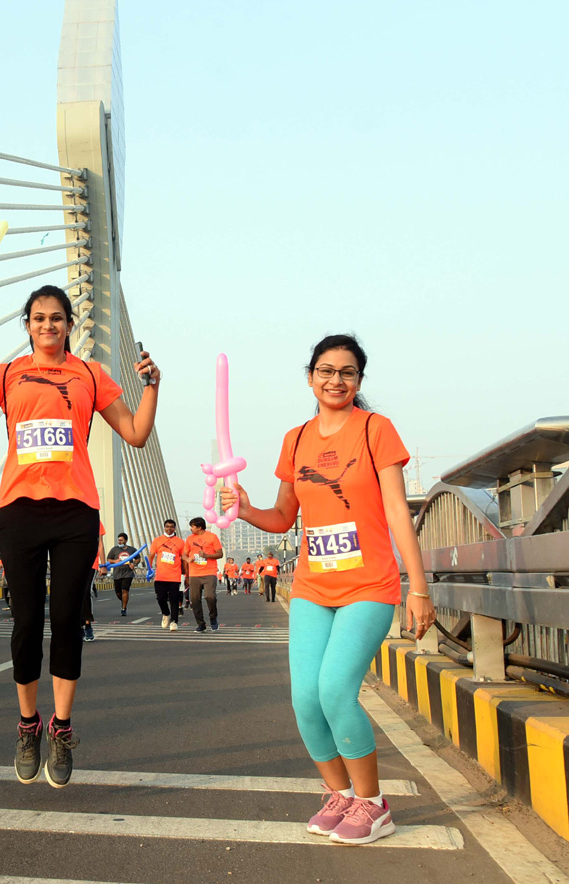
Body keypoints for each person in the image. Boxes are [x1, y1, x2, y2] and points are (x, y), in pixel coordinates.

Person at [0, 283, 159, 788]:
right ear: (26, 325)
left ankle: (63, 727)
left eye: (56, 318)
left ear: (70, 324)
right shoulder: (7, 374)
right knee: (27, 623)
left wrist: (153, 388)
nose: (47, 325)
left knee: (68, 621)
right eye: (38, 318)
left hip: (75, 511)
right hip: (19, 511)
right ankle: (28, 725)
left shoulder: (91, 374)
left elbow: (135, 434)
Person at [221, 333, 434, 845]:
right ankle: (338, 793)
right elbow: (283, 517)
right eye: (326, 370)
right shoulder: (295, 440)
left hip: (370, 584)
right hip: (313, 588)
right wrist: (246, 509)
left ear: (359, 381)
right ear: (310, 376)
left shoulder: (375, 431)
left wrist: (418, 587)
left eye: (347, 372)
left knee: (336, 692)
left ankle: (373, 804)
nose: (336, 380)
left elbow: (397, 512)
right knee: (305, 700)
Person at [184, 517, 223, 633]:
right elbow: (184, 555)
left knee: (210, 596)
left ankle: (213, 618)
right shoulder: (189, 539)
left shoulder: (212, 537)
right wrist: (188, 559)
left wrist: (206, 555)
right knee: (194, 600)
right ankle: (200, 624)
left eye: (192, 526)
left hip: (209, 572)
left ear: (199, 527)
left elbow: (220, 554)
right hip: (194, 573)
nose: (191, 529)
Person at [149, 519, 187, 630]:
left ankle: (174, 621)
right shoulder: (157, 540)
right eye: (167, 526)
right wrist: (149, 568)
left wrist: (185, 572)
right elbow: (151, 555)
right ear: (164, 527)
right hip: (160, 575)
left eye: (171, 527)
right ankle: (166, 614)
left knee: (174, 599)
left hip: (175, 575)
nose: (169, 529)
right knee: (160, 598)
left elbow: (183, 558)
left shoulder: (180, 542)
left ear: (174, 528)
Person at [105, 532, 141, 616]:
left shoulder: (132, 550)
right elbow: (109, 559)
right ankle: (124, 601)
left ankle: (124, 608)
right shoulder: (114, 549)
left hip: (128, 573)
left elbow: (138, 558)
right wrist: (115, 561)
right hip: (117, 573)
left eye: (121, 540)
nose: (119, 542)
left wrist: (134, 564)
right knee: (118, 593)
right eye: (118, 540)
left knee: (125, 590)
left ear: (126, 540)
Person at [82, 523, 105, 642]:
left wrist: (103, 565)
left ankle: (88, 625)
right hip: (74, 563)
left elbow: (100, 544)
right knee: (74, 594)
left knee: (86, 593)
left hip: (92, 562)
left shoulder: (96, 522)